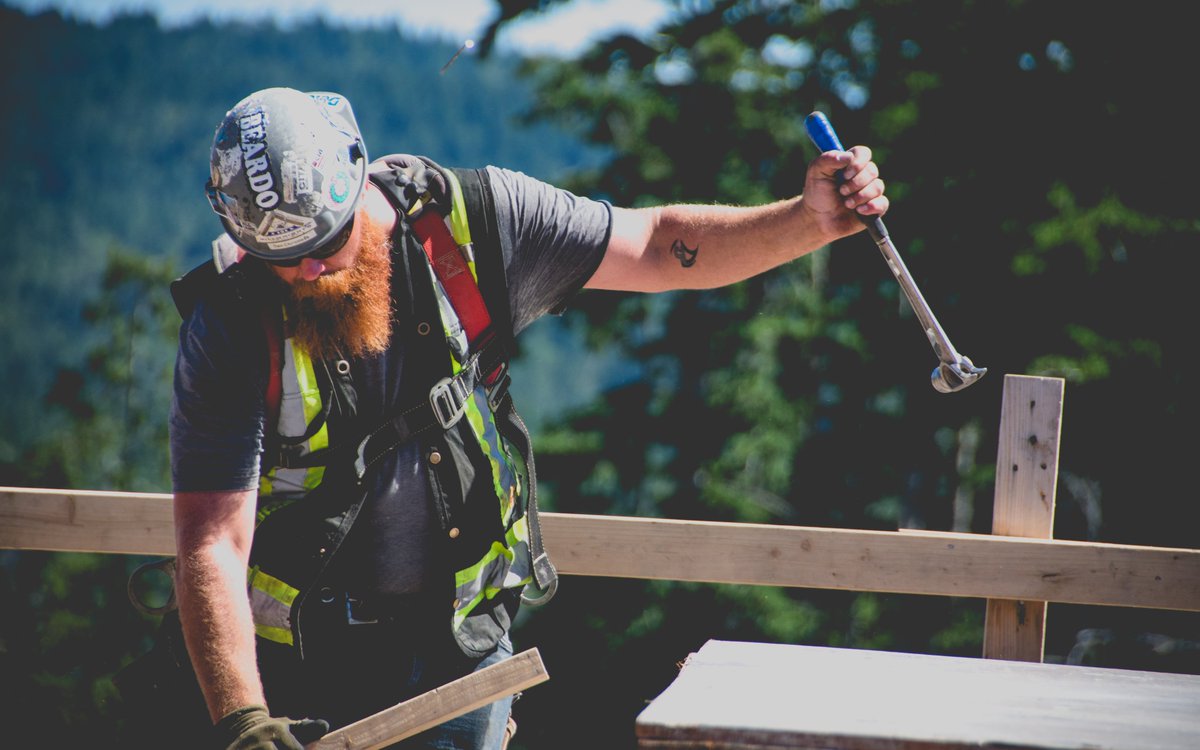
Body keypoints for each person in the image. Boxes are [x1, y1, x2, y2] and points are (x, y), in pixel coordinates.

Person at [161, 86, 887, 750]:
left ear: (356, 186)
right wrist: (245, 721)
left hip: (463, 656)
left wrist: (808, 222)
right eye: (281, 257)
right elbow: (213, 540)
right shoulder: (231, 321)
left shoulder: (470, 226)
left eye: (325, 244)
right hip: (307, 671)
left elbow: (656, 245)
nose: (309, 271)